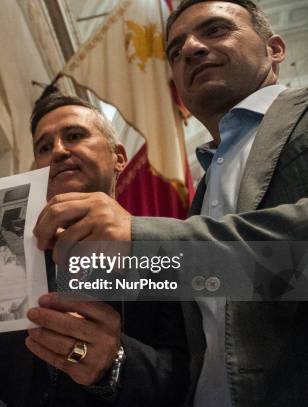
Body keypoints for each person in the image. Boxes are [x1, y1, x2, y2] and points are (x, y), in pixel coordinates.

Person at [30, 2, 308, 406]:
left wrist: (143, 240)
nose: (191, 49)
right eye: (175, 52)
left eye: (215, 30)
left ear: (275, 48)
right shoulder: (206, 192)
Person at [0, 94, 189, 406]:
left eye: (74, 135)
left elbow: (191, 376)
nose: (57, 151)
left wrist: (115, 363)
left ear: (118, 157)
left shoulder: (163, 252)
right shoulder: (6, 254)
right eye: (44, 147)